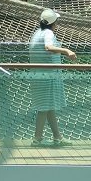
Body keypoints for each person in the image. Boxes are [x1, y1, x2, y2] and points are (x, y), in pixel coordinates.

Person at [29, 8, 76, 146]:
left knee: (48, 106)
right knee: (44, 107)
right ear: (52, 23)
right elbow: (48, 47)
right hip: (47, 76)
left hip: (39, 74)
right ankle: (37, 139)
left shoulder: (38, 33)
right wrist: (66, 51)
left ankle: (57, 137)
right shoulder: (48, 33)